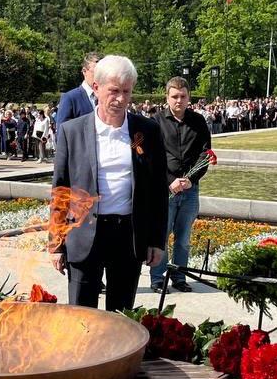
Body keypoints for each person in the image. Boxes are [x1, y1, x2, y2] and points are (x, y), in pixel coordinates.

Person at [50, 55, 167, 311]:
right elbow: (61, 191)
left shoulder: (146, 131)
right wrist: (56, 244)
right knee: (81, 316)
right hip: (84, 235)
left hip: (128, 236)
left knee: (121, 317)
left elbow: (158, 190)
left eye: (127, 92)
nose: (121, 99)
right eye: (114, 91)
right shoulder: (73, 132)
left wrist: (157, 241)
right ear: (96, 88)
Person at [149, 76, 211, 293]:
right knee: (162, 236)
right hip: (166, 189)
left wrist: (191, 179)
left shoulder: (198, 121)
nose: (178, 100)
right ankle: (157, 279)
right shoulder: (155, 122)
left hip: (190, 189)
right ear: (167, 97)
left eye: (183, 96)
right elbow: (150, 157)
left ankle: (179, 276)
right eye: (174, 96)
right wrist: (169, 181)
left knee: (183, 239)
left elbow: (205, 154)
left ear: (188, 97)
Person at [53, 52, 100, 127]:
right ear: (84, 71)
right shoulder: (70, 98)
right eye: (96, 72)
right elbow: (62, 132)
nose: (99, 76)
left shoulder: (105, 98)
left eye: (102, 73)